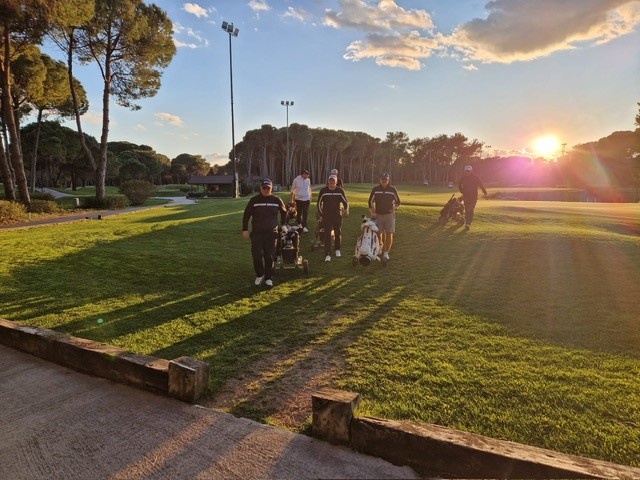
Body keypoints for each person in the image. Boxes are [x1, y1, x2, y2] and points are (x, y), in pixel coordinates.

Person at [242, 179, 287, 287]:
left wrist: (283, 224)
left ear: (271, 188)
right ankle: (259, 275)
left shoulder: (276, 200)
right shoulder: (254, 200)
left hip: (271, 233)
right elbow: (247, 214)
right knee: (257, 255)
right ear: (260, 188)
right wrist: (245, 229)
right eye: (264, 188)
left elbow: (284, 212)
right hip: (257, 233)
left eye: (268, 188)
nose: (266, 190)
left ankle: (268, 277)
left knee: (269, 256)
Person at [368, 172, 401, 261]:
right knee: (378, 233)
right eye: (382, 179)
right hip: (378, 214)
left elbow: (398, 202)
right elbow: (370, 202)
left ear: (388, 180)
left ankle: (386, 253)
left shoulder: (392, 189)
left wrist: (394, 208)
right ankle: (380, 246)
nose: (384, 181)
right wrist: (373, 212)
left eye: (385, 179)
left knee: (389, 233)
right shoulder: (375, 189)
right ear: (380, 180)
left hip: (389, 215)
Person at [317, 174, 349, 262]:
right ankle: (328, 254)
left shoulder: (340, 190)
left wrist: (346, 209)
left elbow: (345, 202)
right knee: (327, 234)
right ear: (328, 181)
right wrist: (321, 215)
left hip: (337, 215)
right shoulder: (323, 191)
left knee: (337, 232)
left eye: (333, 181)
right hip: (326, 216)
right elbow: (319, 203)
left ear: (336, 182)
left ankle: (337, 249)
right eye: (330, 181)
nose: (331, 183)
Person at [458, 165, 488, 231]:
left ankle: (468, 224)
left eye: (468, 171)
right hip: (466, 196)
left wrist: (485, 192)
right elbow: (459, 184)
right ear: (465, 171)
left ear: (471, 171)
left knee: (471, 209)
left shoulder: (475, 178)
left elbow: (481, 185)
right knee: (467, 210)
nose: (467, 172)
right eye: (466, 171)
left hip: (473, 197)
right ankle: (467, 223)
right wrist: (462, 191)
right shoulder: (463, 178)